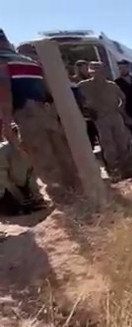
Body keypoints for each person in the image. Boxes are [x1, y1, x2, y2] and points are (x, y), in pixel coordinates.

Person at [0, 28, 80, 200]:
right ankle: (79, 193)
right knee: (63, 155)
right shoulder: (30, 62)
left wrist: (6, 126)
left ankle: (64, 201)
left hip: (27, 115)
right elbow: (51, 91)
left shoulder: (2, 62)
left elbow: (5, 94)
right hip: (47, 113)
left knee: (44, 159)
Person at [78, 61, 132, 180]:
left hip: (115, 115)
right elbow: (79, 100)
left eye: (99, 70)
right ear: (90, 72)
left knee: (122, 142)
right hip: (100, 117)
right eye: (94, 71)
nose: (97, 73)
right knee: (108, 144)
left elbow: (122, 98)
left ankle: (126, 168)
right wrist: (87, 111)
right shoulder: (83, 85)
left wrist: (120, 109)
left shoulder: (112, 85)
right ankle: (114, 170)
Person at [1, 123, 47, 215]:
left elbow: (31, 176)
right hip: (5, 189)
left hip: (19, 187)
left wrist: (36, 196)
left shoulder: (30, 151)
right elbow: (2, 179)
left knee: (35, 207)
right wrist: (17, 194)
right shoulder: (2, 152)